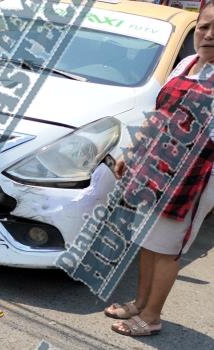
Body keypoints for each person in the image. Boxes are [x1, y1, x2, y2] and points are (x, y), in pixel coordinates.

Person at [105, 1, 214, 337]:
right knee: (147, 239)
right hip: (156, 167)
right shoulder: (187, 63)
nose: (208, 35)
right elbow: (160, 113)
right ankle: (140, 302)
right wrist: (133, 151)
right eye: (204, 27)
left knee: (166, 247)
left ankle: (151, 316)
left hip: (193, 177)